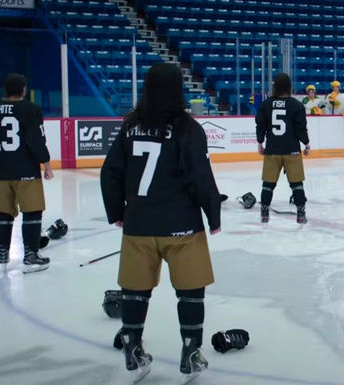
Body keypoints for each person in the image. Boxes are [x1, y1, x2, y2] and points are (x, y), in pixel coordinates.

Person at [100, 63, 221, 383]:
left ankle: (132, 347)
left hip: (139, 224)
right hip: (182, 226)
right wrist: (213, 214)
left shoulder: (129, 127)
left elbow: (110, 172)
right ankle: (191, 352)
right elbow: (200, 177)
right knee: (191, 291)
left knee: (134, 291)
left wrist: (117, 212)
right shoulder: (188, 129)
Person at [0, 73, 53, 274]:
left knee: (3, 211)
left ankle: (3, 253)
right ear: (23, 89)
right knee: (32, 211)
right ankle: (31, 255)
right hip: (25, 170)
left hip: (0, 170)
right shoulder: (30, 109)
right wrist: (46, 164)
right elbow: (36, 140)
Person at [256, 73, 311, 224]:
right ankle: (300, 214)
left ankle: (264, 213)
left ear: (275, 87)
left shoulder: (266, 104)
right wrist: (306, 144)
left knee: (268, 184)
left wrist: (260, 143)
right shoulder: (296, 105)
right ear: (289, 86)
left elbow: (260, 125)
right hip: (292, 150)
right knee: (296, 184)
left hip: (272, 149)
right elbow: (301, 128)